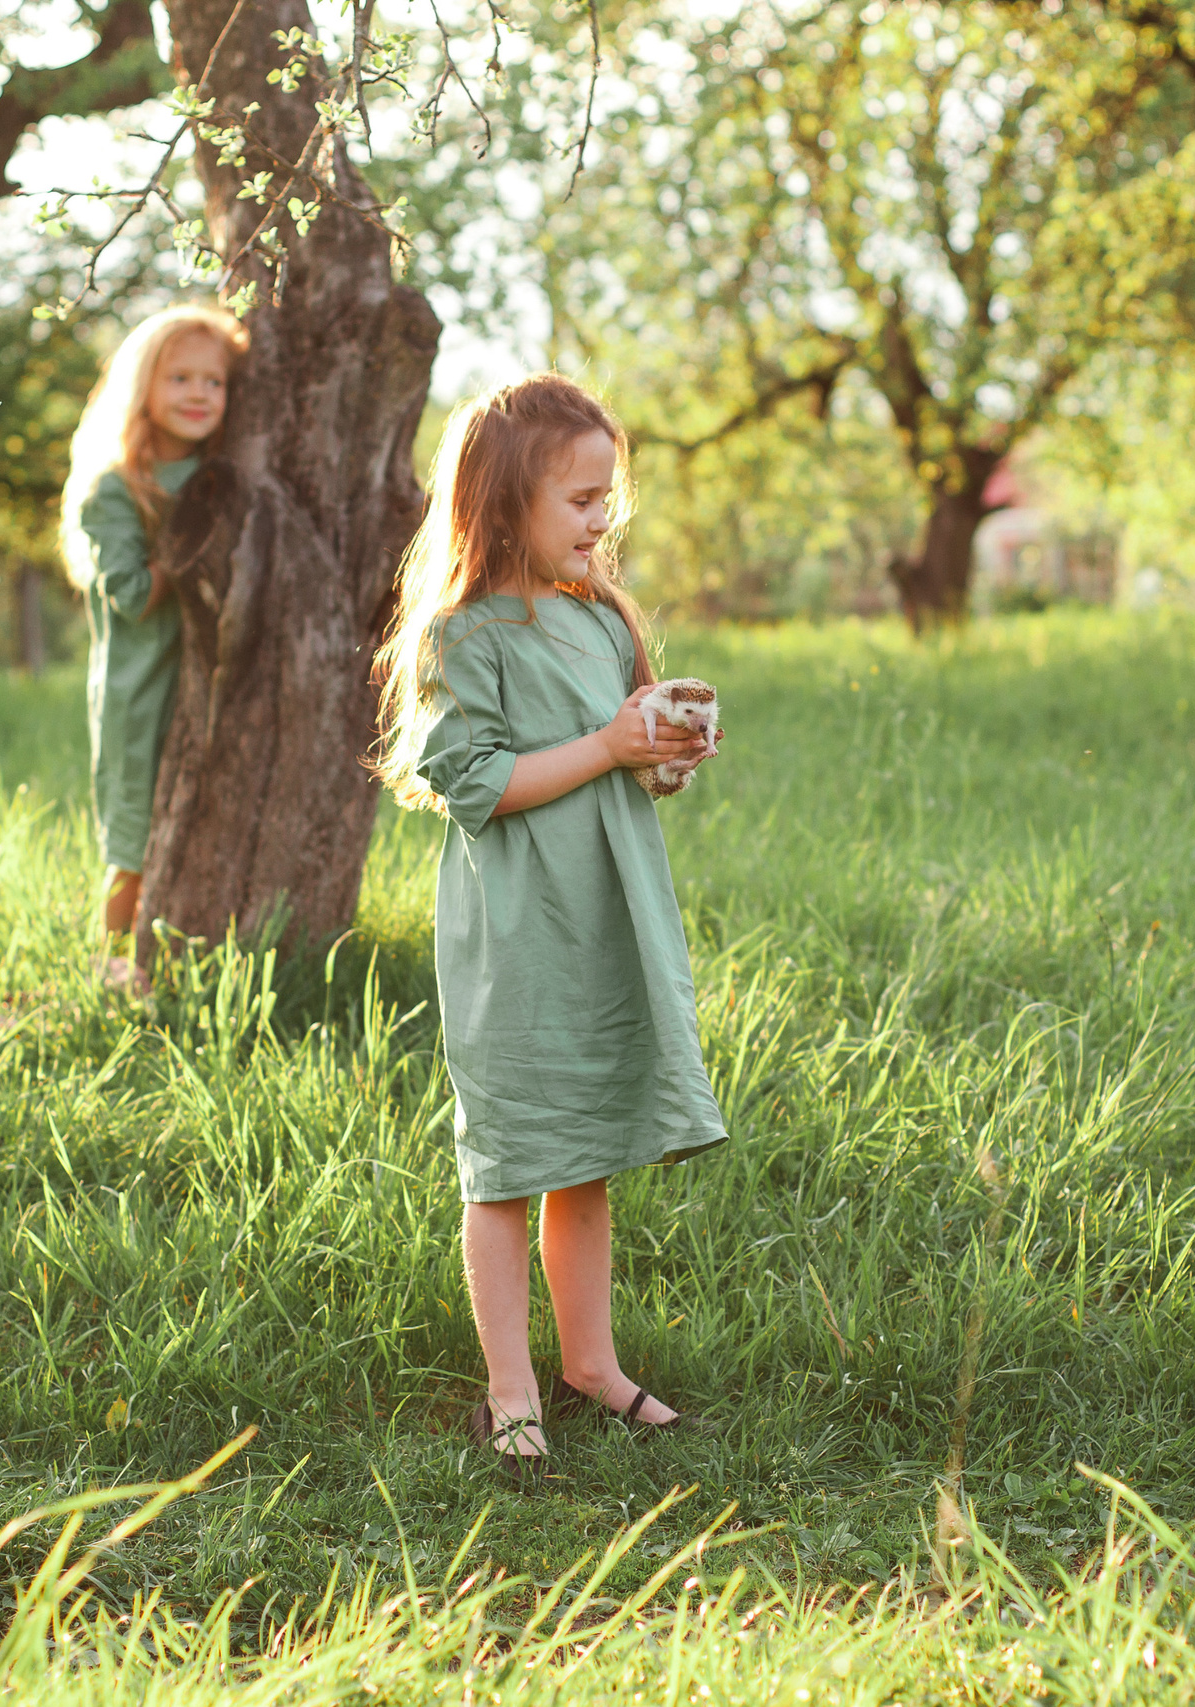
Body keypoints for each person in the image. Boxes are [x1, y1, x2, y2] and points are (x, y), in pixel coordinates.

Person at [371, 374, 729, 1479]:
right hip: (518, 936)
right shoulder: (463, 636)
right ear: (502, 499)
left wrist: (663, 755)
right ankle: (511, 1388)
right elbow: (477, 783)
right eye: (579, 499)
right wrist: (607, 748)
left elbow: (621, 765)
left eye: (605, 499)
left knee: (586, 1154)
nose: (599, 520)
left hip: (604, 925)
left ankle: (591, 1365)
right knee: (508, 1161)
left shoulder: (601, 619)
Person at [58, 303, 247, 987]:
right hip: (140, 691)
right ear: (143, 385)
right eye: (180, 379)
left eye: (214, 381)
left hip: (211, 683)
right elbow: (132, 594)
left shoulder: (225, 469)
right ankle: (113, 964)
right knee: (134, 836)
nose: (199, 394)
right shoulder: (115, 486)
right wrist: (190, 541)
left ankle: (192, 962)